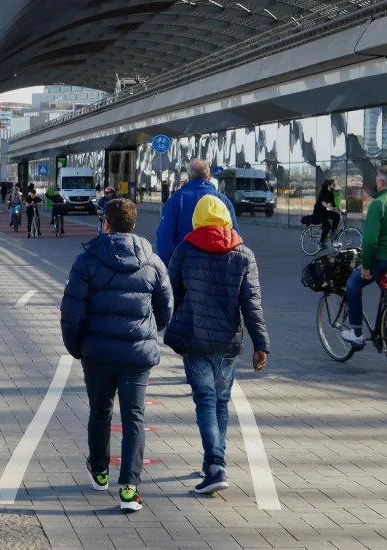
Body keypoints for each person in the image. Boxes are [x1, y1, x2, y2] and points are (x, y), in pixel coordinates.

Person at [60, 199, 173, 512]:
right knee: (134, 416)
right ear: (132, 225)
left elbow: (71, 311)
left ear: (105, 223)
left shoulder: (87, 259)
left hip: (97, 353)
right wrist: (148, 330)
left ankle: (99, 470)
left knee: (100, 411)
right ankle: (130, 488)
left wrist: (76, 346)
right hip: (137, 355)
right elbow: (166, 307)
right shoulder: (153, 260)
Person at [163, 195, 269, 494]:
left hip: (195, 339)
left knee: (206, 402)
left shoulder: (184, 250)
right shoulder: (243, 254)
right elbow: (252, 305)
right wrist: (261, 344)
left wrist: (166, 326)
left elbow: (172, 294)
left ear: (197, 220)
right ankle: (216, 460)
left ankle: (214, 465)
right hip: (227, 342)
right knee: (221, 402)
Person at [342, 166, 387, 347]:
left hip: (384, 258)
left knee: (353, 284)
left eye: (376, 180)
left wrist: (366, 265)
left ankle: (356, 334)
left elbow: (370, 241)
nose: (375, 182)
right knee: (385, 280)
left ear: (382, 183)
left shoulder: (378, 204)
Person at [156, 159, 240, 265]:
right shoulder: (223, 200)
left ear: (189, 177)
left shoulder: (177, 200)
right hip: (219, 264)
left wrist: (168, 264)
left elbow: (165, 235)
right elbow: (234, 235)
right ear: (208, 177)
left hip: (185, 265)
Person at [313, 179, 341, 248]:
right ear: (329, 185)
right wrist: (330, 207)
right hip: (318, 211)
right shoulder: (323, 191)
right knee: (327, 225)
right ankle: (321, 243)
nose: (334, 186)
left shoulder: (331, 193)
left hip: (324, 211)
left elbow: (334, 204)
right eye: (333, 184)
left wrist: (339, 210)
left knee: (336, 215)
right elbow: (323, 202)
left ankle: (333, 232)